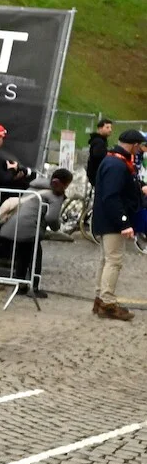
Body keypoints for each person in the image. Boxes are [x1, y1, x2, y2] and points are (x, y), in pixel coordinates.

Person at [90, 129, 147, 321]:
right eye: (140, 146)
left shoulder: (113, 160)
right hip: (112, 221)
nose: (140, 150)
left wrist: (139, 188)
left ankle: (100, 298)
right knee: (114, 261)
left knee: (106, 260)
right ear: (134, 145)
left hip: (105, 219)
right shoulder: (117, 165)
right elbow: (112, 196)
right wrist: (123, 222)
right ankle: (107, 302)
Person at [0, 168, 71, 298]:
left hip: (13, 225)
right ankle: (34, 287)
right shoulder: (55, 195)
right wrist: (56, 227)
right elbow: (52, 218)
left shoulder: (34, 186)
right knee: (36, 256)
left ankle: (20, 285)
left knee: (23, 254)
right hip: (30, 227)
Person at [86, 117, 113, 185]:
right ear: (100, 128)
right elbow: (98, 156)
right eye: (107, 127)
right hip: (98, 176)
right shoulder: (99, 142)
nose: (110, 130)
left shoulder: (99, 141)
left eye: (111, 127)